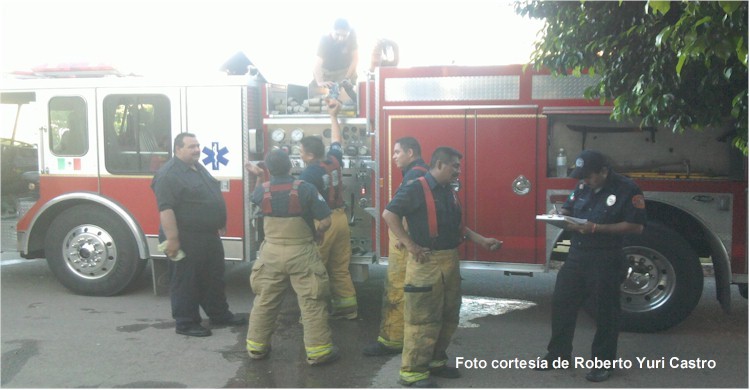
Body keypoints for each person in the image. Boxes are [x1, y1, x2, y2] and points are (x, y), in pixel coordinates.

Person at [383, 146, 503, 387]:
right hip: (425, 263)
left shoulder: (449, 191)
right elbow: (389, 214)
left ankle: (435, 361)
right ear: (439, 164)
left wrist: (482, 241)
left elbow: (457, 228)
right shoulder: (415, 187)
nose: (458, 171)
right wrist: (410, 244)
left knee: (449, 316)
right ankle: (413, 373)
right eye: (454, 166)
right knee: (422, 320)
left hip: (449, 260)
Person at [535, 150, 646, 382]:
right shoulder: (583, 186)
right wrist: (558, 217)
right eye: (581, 176)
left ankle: (603, 363)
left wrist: (596, 228)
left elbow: (636, 227)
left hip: (606, 257)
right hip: (577, 255)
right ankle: (558, 355)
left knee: (606, 312)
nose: (583, 180)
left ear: (604, 171)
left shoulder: (628, 189)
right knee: (562, 303)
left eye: (588, 176)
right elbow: (569, 208)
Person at [244, 150, 339, 366]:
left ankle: (256, 348)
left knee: (265, 300)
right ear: (290, 166)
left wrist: (259, 176)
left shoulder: (262, 191)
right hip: (301, 253)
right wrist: (318, 233)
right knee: (311, 301)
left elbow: (254, 201)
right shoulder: (305, 189)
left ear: (269, 169)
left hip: (271, 254)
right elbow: (325, 220)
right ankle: (319, 352)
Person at [151, 133, 245, 337]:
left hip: (207, 235)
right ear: (177, 149)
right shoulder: (168, 175)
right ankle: (186, 323)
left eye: (197, 146)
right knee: (186, 281)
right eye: (191, 146)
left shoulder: (196, 167)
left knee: (213, 278)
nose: (196, 150)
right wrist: (173, 240)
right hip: (185, 237)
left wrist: (219, 222)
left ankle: (219, 315)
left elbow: (209, 196)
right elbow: (166, 210)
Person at [363, 136, 429, 356]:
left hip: (403, 244)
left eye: (397, 152)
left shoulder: (414, 174)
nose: (393, 157)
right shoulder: (421, 171)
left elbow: (405, 209)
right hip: (409, 239)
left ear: (410, 153)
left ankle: (392, 341)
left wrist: (404, 236)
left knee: (397, 291)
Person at [299, 100, 358, 319]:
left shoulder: (308, 175)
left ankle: (316, 314)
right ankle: (348, 309)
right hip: (341, 218)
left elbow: (304, 205)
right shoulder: (333, 160)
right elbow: (337, 141)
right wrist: (333, 117)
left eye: (301, 151)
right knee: (340, 268)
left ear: (310, 156)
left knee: (316, 269)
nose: (300, 154)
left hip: (324, 223)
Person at [312, 18, 358, 101]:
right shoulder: (324, 40)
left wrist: (346, 79)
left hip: (344, 71)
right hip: (327, 73)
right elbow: (317, 63)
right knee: (317, 89)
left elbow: (355, 60)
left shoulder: (352, 37)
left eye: (344, 36)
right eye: (337, 34)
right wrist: (320, 82)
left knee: (349, 93)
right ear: (332, 31)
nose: (341, 38)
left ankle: (352, 101)